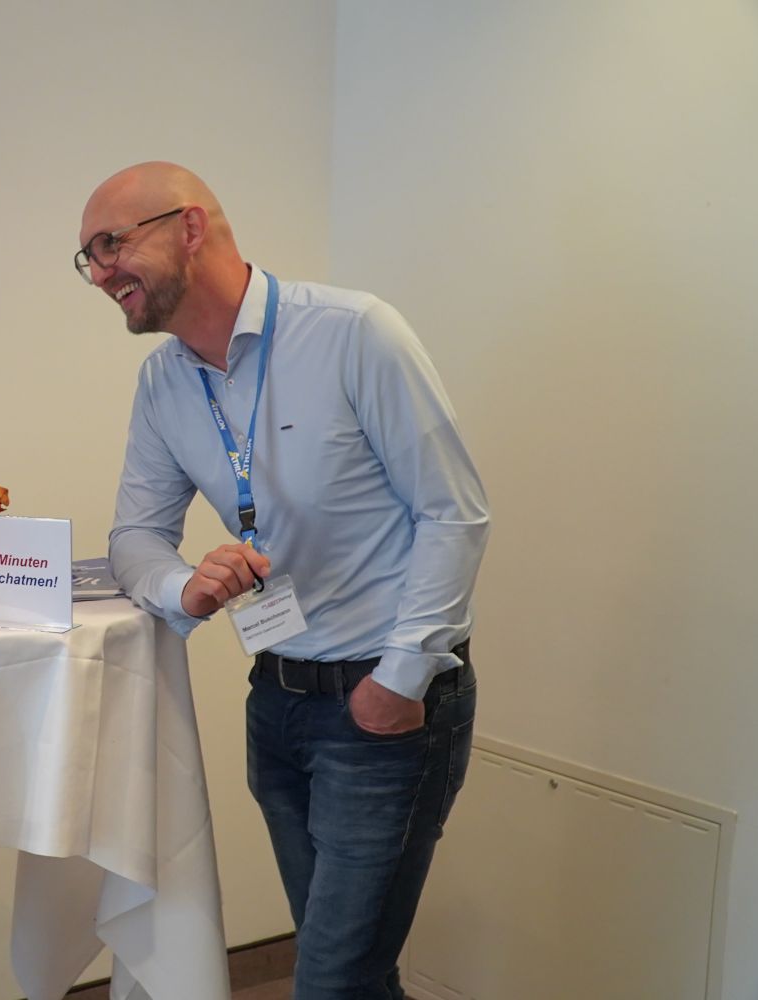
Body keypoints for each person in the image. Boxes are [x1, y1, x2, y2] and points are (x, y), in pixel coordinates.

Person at [80, 162, 488, 1000]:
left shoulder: (354, 333)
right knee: (352, 974)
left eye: (111, 244)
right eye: (87, 256)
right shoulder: (164, 381)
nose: (99, 273)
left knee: (330, 980)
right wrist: (184, 587)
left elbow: (454, 513)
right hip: (276, 701)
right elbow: (134, 538)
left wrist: (400, 679)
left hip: (385, 708)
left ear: (190, 227)